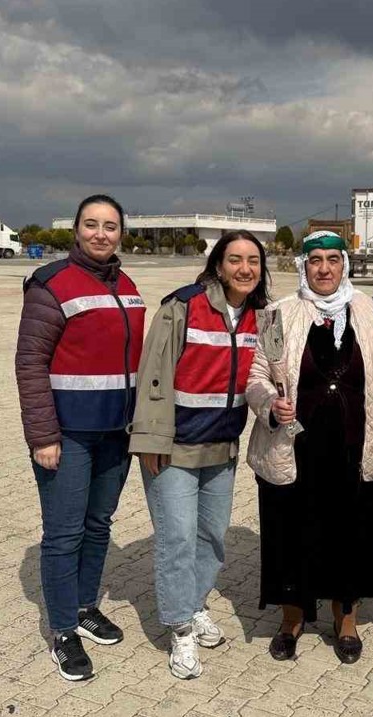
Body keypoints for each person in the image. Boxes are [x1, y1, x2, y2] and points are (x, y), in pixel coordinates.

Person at [15, 194, 145, 681]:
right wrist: (43, 436)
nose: (100, 234)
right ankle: (63, 629)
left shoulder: (127, 284)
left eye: (110, 226)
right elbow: (29, 364)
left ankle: (87, 605)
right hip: (67, 437)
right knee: (64, 534)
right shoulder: (51, 284)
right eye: (91, 225)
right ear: (75, 230)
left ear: (121, 234)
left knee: (98, 526)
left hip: (116, 435)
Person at [129, 230, 270, 679]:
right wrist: (151, 441)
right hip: (173, 449)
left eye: (253, 260)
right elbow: (154, 373)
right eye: (235, 260)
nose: (244, 269)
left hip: (221, 448)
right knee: (177, 541)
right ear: (218, 265)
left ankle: (194, 604)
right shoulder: (183, 306)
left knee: (211, 537)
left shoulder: (263, 317)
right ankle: (180, 628)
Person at [244, 231, 373, 664]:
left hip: (353, 443)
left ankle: (345, 619)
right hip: (294, 447)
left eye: (332, 260)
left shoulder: (367, 309)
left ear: (345, 264)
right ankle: (292, 617)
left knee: (350, 534)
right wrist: (271, 403)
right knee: (291, 534)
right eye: (314, 261)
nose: (323, 269)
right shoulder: (278, 313)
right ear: (302, 266)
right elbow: (256, 377)